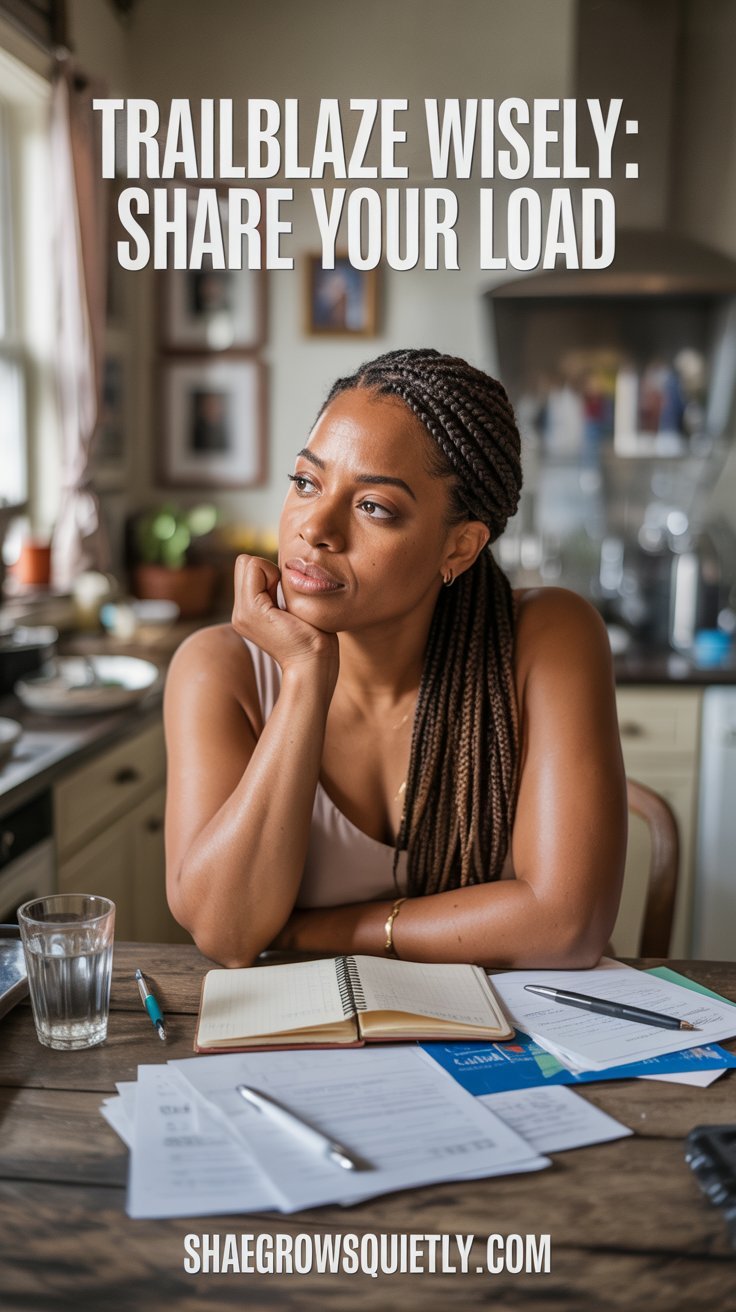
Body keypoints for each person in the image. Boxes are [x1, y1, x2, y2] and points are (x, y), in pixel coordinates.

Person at [164, 347, 627, 969]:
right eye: (306, 482)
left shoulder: (549, 638)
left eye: (373, 506)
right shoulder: (217, 670)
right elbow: (225, 933)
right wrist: (303, 680)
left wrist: (304, 933)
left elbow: (567, 925)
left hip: (509, 1047)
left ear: (459, 547)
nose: (316, 527)